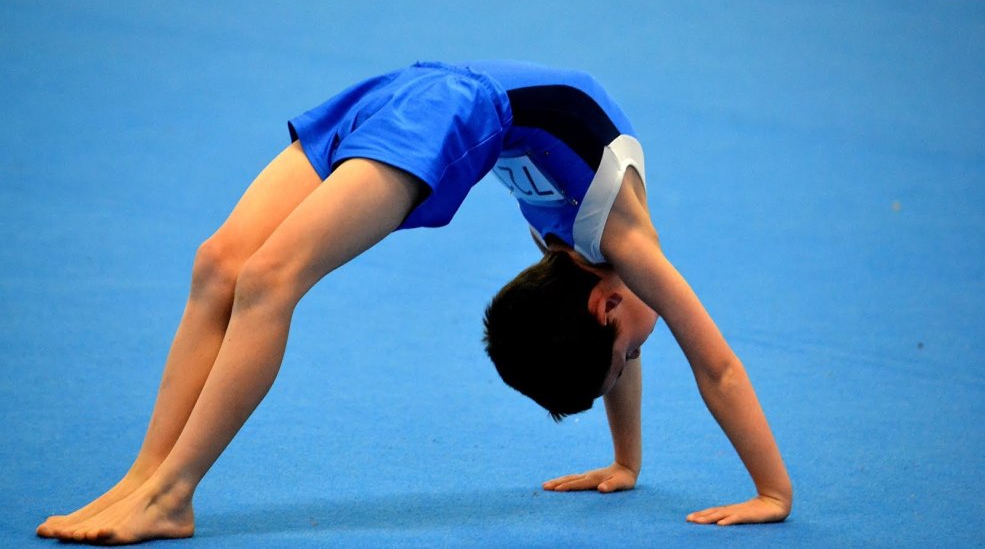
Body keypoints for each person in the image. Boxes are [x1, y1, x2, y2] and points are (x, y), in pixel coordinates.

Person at [36, 60, 792, 544]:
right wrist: (771, 489)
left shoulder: (583, 261)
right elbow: (716, 367)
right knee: (256, 275)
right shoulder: (630, 251)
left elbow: (610, 347)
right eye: (631, 354)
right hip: (448, 109)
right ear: (605, 306)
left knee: (228, 267)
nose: (634, 360)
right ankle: (158, 485)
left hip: (412, 88)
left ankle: (154, 482)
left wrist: (625, 461)